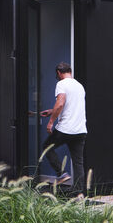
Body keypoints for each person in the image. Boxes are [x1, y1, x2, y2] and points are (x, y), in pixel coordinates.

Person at [40, 61, 87, 195]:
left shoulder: (61, 84)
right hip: (80, 130)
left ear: (59, 73)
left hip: (66, 129)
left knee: (47, 147)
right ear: (70, 72)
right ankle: (79, 192)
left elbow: (60, 103)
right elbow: (69, 105)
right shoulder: (79, 86)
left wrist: (51, 122)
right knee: (78, 163)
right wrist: (52, 111)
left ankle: (61, 174)